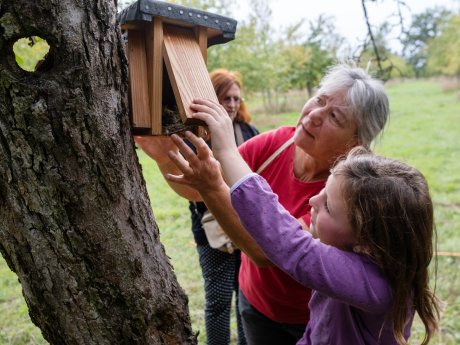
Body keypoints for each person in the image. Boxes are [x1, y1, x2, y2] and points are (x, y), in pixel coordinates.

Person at [138, 63, 391, 344]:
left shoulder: (347, 190)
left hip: (308, 320)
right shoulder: (279, 142)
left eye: (334, 116)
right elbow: (199, 187)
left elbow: (267, 251)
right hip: (255, 303)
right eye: (319, 99)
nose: (315, 115)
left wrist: (212, 181)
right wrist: (165, 157)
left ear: (355, 141)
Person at [165, 127, 441, 345]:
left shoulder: (376, 286)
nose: (312, 201)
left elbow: (295, 249)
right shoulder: (366, 256)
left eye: (328, 206)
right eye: (324, 188)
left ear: (366, 243)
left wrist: (225, 149)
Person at [135, 69, 258, 345]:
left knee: (246, 297)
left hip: (248, 228)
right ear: (212, 98)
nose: (232, 104)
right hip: (211, 232)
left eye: (237, 98)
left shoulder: (250, 132)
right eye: (226, 97)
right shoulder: (197, 135)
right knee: (218, 300)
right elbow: (188, 184)